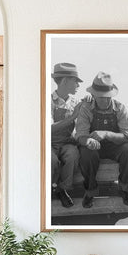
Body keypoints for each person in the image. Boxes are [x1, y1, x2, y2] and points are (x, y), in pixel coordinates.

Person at [75, 71, 128, 209]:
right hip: (93, 146)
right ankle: (90, 191)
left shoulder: (120, 108)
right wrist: (88, 142)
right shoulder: (86, 108)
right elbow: (81, 135)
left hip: (114, 146)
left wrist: (106, 134)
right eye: (101, 97)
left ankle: (123, 188)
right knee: (86, 154)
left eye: (107, 97)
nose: (105, 100)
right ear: (93, 95)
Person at [51, 62, 82, 208]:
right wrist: (72, 116)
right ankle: (49, 188)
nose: (78, 85)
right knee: (51, 161)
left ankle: (62, 189)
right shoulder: (48, 101)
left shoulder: (76, 101)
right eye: (76, 81)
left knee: (72, 155)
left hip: (67, 142)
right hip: (48, 142)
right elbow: (48, 129)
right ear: (64, 81)